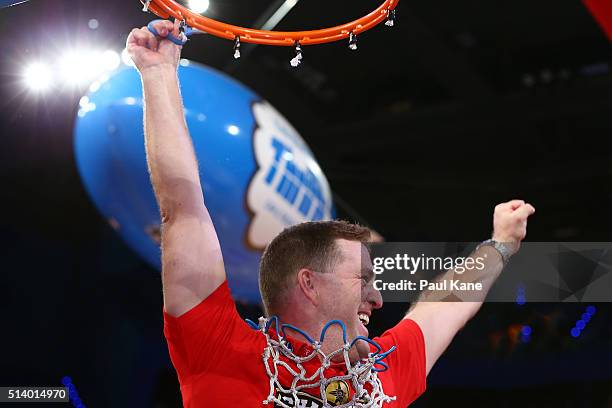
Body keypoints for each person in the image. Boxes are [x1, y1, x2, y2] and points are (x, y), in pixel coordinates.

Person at [126, 20, 536, 407]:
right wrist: (159, 74)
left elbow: (445, 305)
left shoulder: (380, 374)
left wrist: (500, 245)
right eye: (364, 278)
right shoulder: (219, 351)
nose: (377, 298)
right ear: (309, 283)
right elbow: (183, 212)